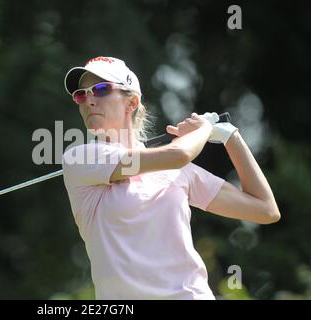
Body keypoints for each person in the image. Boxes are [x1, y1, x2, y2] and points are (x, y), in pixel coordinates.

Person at [61, 56, 281, 300]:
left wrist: (231, 137)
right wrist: (204, 129)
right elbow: (180, 153)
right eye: (81, 95)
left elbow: (265, 209)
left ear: (131, 102)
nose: (89, 100)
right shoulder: (80, 159)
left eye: (101, 89)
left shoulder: (178, 171)